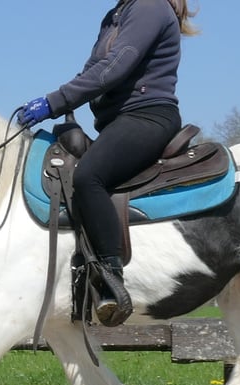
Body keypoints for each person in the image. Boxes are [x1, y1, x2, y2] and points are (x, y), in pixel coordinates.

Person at [17, 0, 198, 327]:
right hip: (116, 123)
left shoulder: (149, 6)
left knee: (89, 177)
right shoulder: (115, 16)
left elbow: (114, 68)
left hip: (147, 117)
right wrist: (62, 105)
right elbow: (91, 72)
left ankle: (110, 281)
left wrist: (55, 102)